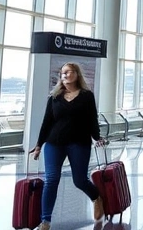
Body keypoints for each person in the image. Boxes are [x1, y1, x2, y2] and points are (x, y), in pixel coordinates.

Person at [29, 63, 107, 230]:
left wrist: (97, 137)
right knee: (51, 180)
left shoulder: (87, 96)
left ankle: (96, 198)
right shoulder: (54, 97)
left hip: (79, 142)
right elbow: (46, 123)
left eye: (68, 72)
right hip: (54, 143)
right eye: (62, 72)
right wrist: (38, 145)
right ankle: (45, 221)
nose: (64, 75)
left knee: (79, 180)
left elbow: (92, 119)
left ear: (77, 74)